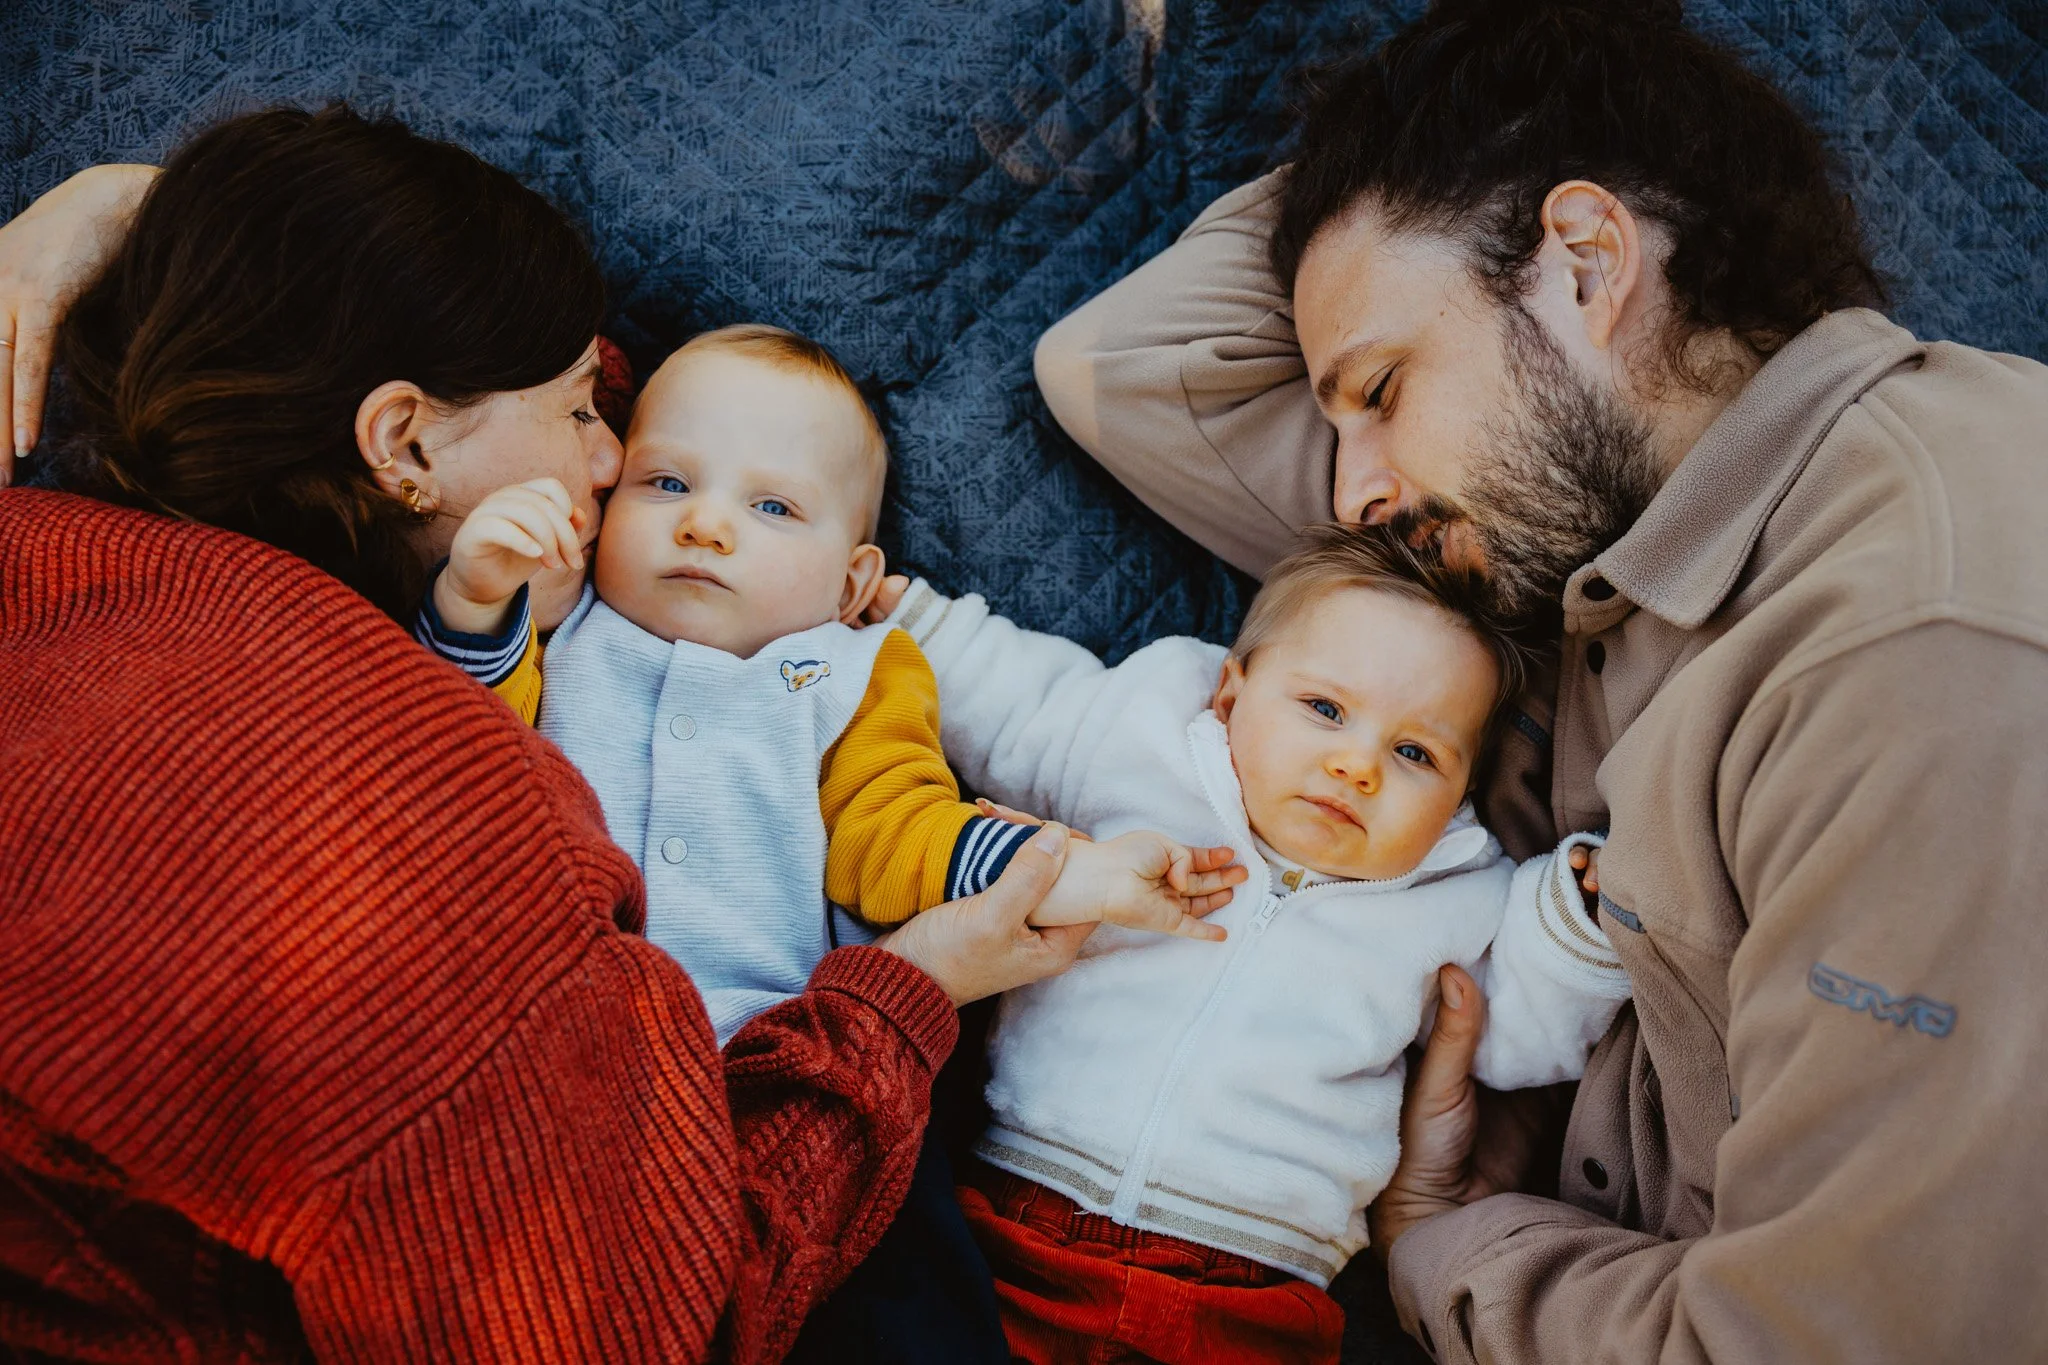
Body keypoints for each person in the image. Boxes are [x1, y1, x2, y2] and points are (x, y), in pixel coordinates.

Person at [1031, 0, 2048, 1359]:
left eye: (1382, 387)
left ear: (1584, 258)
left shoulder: (1927, 648)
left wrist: (1444, 1237)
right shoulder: (1598, 511)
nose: (1353, 495)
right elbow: (1130, 369)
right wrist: (1467, 121)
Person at [0, 104, 1095, 1362]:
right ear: (399, 439)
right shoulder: (432, 827)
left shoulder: (44, 545)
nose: (614, 458)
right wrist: (913, 990)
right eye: (584, 411)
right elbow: (657, 1322)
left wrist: (133, 209)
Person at [877, 523, 1628, 1363]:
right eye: (1325, 709)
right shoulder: (1138, 739)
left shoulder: (1457, 896)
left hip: (1252, 1285)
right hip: (1016, 1215)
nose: (1357, 765)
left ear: (1460, 793)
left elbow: (1518, 1021)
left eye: (1414, 751)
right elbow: (1015, 700)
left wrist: (1582, 918)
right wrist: (903, 617)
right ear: (1231, 694)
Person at [417, 323, 1241, 1047]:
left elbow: (896, 834)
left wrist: (1066, 871)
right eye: (667, 483)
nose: (704, 523)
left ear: (850, 586)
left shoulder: (851, 677)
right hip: (527, 1014)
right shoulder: (563, 628)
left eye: (772, 506)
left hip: (747, 1044)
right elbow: (466, 755)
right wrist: (474, 595)